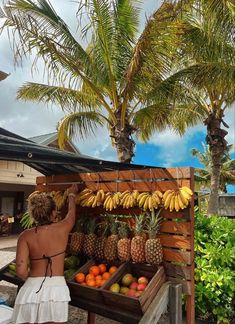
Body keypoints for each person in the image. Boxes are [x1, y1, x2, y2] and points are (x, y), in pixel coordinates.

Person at [12, 184, 78, 324]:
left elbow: (21, 271)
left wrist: (31, 278)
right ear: (54, 212)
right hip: (56, 292)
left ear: (33, 214)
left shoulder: (25, 236)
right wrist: (71, 195)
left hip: (29, 292)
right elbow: (71, 214)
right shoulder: (63, 227)